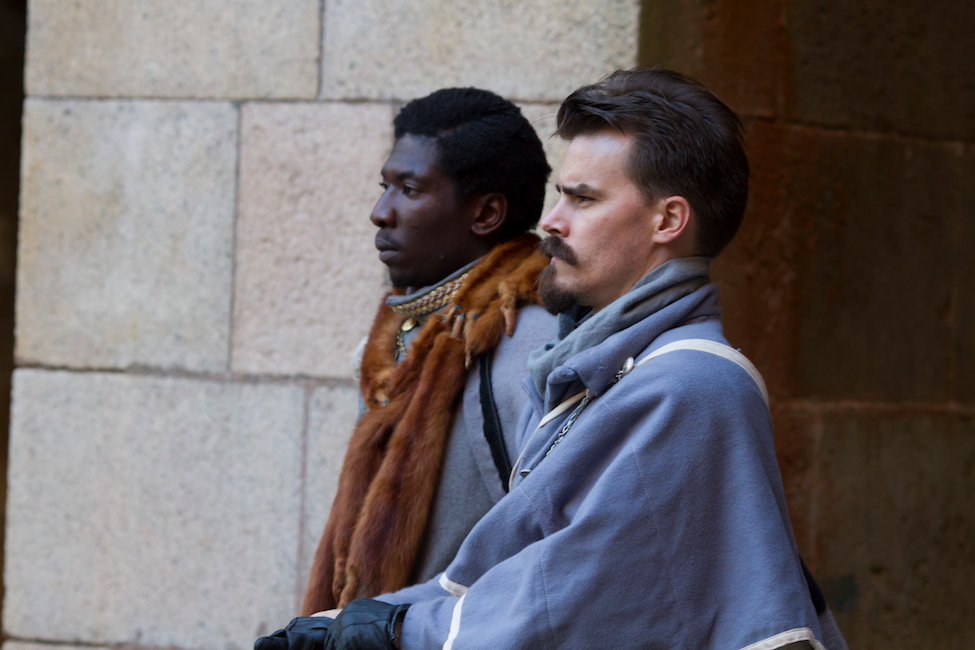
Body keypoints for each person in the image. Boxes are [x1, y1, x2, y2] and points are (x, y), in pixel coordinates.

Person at [259, 69, 848, 650]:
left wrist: (393, 631)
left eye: (583, 199)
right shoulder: (600, 372)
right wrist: (352, 622)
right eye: (562, 193)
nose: (551, 220)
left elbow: (572, 599)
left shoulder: (693, 384)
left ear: (668, 220)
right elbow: (493, 571)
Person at [299, 88, 557, 615]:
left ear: (485, 213)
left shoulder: (526, 340)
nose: (380, 213)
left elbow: (553, 559)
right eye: (384, 186)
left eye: (410, 189)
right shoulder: (405, 333)